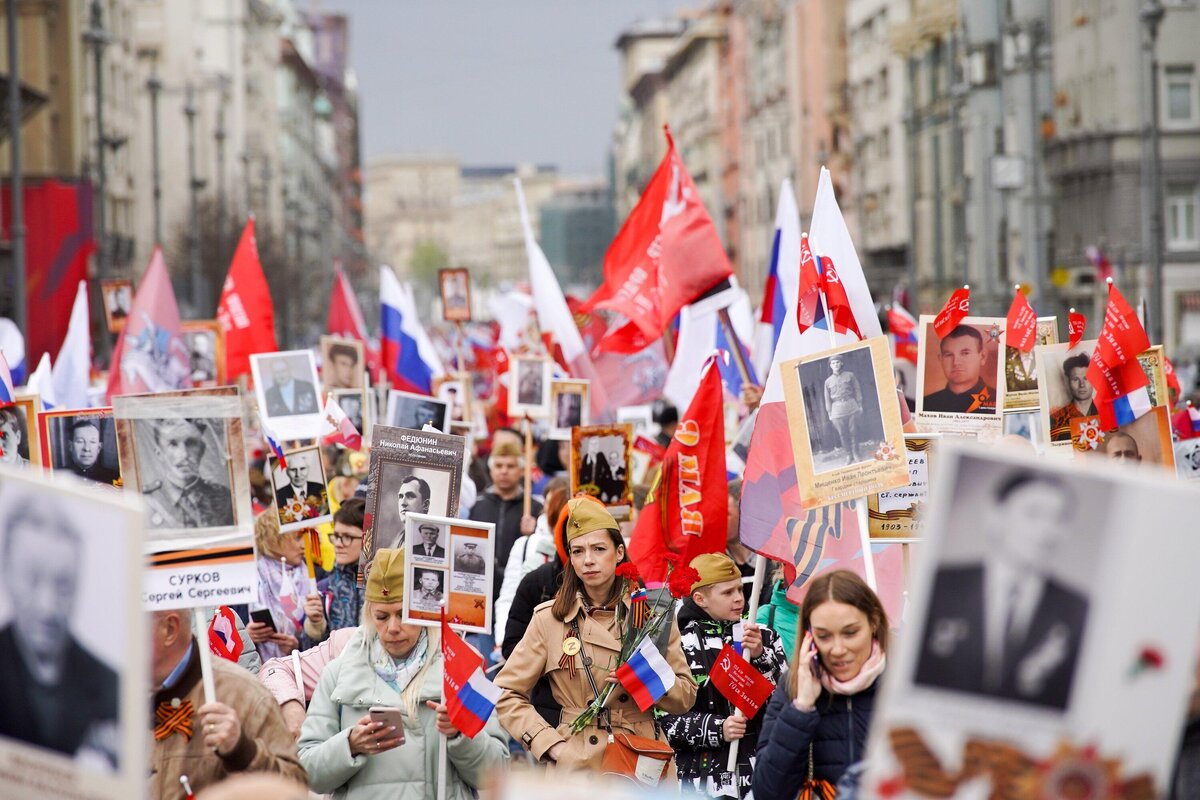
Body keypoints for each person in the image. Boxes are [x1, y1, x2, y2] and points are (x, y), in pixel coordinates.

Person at [495, 497, 696, 775]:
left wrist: (644, 679)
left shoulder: (651, 614)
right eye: (577, 551)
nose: (587, 560)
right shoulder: (549, 619)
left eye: (598, 549)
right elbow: (508, 695)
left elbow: (684, 697)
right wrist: (552, 746)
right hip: (579, 765)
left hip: (641, 759)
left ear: (619, 552)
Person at [298, 549, 510, 797]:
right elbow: (307, 771)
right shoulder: (338, 674)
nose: (393, 628)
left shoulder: (460, 669)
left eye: (403, 615)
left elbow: (497, 772)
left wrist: (459, 733)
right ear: (369, 615)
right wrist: (351, 745)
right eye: (381, 616)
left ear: (423, 613)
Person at [913, 472, 1087, 710]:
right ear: (996, 514)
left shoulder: (1079, 610)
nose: (1047, 530)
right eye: (1033, 513)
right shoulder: (938, 586)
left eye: (1059, 518)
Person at [0, 504, 119, 765]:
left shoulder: (113, 688)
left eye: (63, 585)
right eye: (32, 580)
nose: (47, 606)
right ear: (7, 574)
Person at [754, 570, 890, 797]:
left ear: (873, 622)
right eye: (824, 636)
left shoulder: (903, 684)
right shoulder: (794, 686)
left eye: (850, 633)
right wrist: (801, 709)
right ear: (809, 635)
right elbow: (767, 792)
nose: (837, 649)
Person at [662, 553, 787, 797]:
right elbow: (662, 719)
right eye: (727, 593)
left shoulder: (765, 636)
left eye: (740, 589)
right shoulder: (674, 645)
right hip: (698, 781)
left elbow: (787, 702)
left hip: (759, 773)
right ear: (700, 598)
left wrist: (761, 656)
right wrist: (717, 729)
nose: (739, 598)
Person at [149, 608, 305, 798]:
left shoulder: (244, 694)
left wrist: (243, 751)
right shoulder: (112, 693)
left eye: (130, 623)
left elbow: (294, 787)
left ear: (170, 629)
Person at [495, 478, 567, 645]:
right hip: (526, 638)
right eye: (547, 503)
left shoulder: (580, 548)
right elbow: (508, 596)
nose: (550, 509)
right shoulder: (526, 544)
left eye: (556, 504)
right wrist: (503, 639)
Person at [470, 440, 542, 603]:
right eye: (499, 465)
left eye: (510, 466)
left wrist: (534, 534)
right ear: (491, 469)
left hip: (518, 588)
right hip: (482, 588)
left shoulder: (535, 508)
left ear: (522, 470)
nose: (504, 471)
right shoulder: (477, 505)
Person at [246, 512, 319, 661]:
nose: (305, 544)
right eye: (298, 537)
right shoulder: (247, 577)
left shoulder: (316, 575)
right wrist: (246, 636)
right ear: (274, 539)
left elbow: (324, 641)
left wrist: (298, 647)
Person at [143, 418, 234, 529]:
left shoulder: (226, 498)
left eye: (191, 443)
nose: (184, 454)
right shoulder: (145, 502)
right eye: (173, 444)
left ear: (202, 450)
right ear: (159, 453)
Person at [305, 499, 367, 646]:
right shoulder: (324, 590)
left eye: (347, 537)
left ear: (368, 539)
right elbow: (310, 654)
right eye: (336, 536)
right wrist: (315, 625)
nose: (338, 544)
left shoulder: (385, 586)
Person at [922, 325, 996, 414]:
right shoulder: (926, 404)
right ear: (941, 360)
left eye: (965, 353)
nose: (956, 362)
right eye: (949, 355)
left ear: (982, 357)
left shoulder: (998, 401)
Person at [823, 354, 864, 464]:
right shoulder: (828, 381)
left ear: (841, 363)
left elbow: (857, 389)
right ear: (830, 365)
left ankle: (856, 453)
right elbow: (827, 398)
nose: (835, 364)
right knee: (842, 433)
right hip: (836, 410)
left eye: (837, 362)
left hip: (851, 406)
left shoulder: (850, 375)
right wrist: (829, 413)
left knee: (854, 431)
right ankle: (848, 455)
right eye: (833, 363)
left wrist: (859, 404)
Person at [1049, 353, 1098, 441]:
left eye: (1086, 378)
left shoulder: (1108, 415)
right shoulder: (1056, 420)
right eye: (1075, 379)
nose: (1082, 385)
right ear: (1068, 382)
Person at [65, 417, 120, 485]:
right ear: (70, 446)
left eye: (92, 442)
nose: (87, 448)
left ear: (99, 447)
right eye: (80, 441)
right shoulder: (57, 477)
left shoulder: (114, 478)